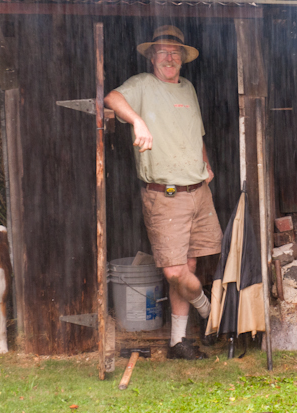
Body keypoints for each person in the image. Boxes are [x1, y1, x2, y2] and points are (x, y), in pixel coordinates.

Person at [104, 25, 222, 360]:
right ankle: (208, 310)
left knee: (189, 265)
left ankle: (178, 342)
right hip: (165, 194)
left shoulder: (189, 89)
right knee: (174, 272)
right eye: (163, 52)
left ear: (183, 59)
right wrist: (138, 123)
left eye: (175, 53)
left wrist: (206, 165)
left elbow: (195, 134)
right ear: (152, 57)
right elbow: (111, 98)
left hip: (199, 191)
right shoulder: (143, 85)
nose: (169, 58)